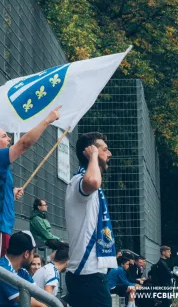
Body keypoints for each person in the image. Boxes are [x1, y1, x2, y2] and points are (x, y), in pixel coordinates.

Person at [0, 108, 61, 262]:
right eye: (4, 136)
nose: (9, 139)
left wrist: (10, 193)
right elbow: (24, 143)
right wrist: (47, 120)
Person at [64, 132, 116, 307]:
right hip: (87, 273)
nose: (109, 154)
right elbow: (93, 181)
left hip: (89, 274)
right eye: (105, 150)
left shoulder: (85, 182)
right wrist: (93, 156)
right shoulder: (81, 180)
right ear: (90, 151)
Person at [0, 231, 46, 307]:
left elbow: (38, 294)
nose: (33, 257)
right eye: (33, 253)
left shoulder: (21, 270)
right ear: (26, 254)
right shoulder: (3, 271)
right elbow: (32, 303)